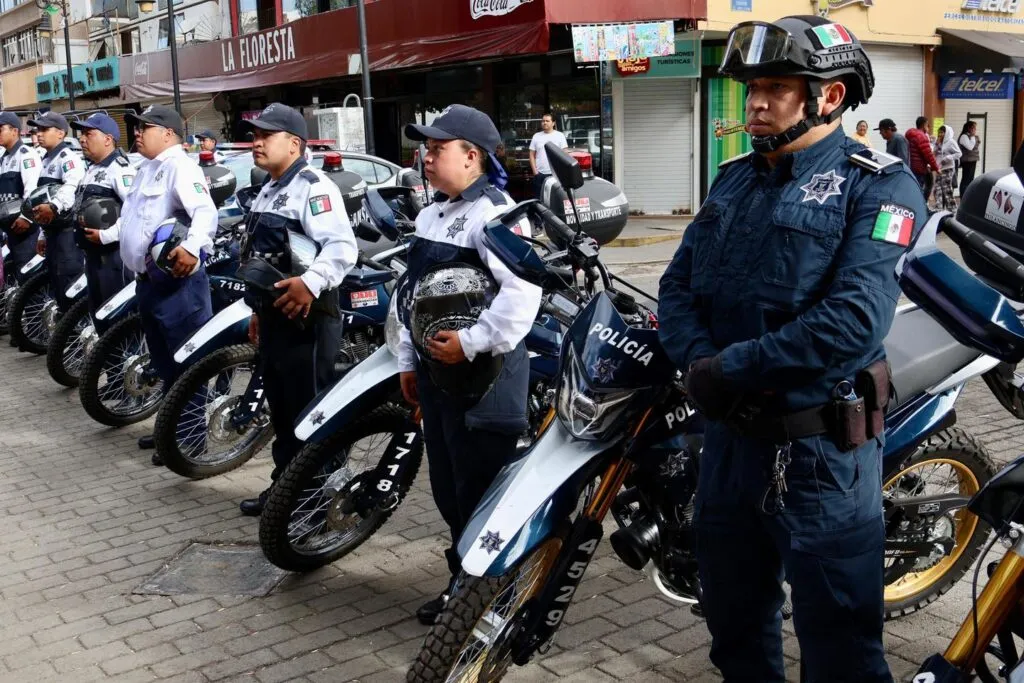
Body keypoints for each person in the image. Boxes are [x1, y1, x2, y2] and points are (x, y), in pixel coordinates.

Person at [659, 15, 926, 681]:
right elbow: (677, 285)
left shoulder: (878, 186)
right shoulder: (732, 179)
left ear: (829, 96)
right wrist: (699, 364)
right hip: (728, 450)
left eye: (776, 86)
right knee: (735, 629)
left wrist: (728, 369)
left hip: (819, 460)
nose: (755, 101)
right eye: (753, 86)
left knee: (840, 647)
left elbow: (854, 320)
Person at [399, 104, 541, 625]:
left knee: (481, 495)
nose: (427, 157)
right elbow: (410, 294)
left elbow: (522, 294)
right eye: (426, 149)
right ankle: (465, 585)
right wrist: (406, 360)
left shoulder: (497, 215)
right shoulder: (431, 214)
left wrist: (473, 341)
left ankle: (493, 598)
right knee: (448, 491)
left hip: (485, 383)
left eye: (438, 149)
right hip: (439, 381)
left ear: (473, 156)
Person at [236, 103, 358, 516]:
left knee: (311, 412)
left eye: (264, 136)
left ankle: (321, 499)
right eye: (254, 135)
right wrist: (257, 310)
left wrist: (309, 282)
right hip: (276, 319)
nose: (256, 142)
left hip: (308, 321)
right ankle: (288, 490)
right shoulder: (270, 188)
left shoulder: (313, 186)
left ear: (293, 142)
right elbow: (265, 257)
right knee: (284, 410)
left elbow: (342, 248)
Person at [120, 105, 218, 462]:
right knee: (163, 362)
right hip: (147, 282)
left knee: (187, 365)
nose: (137, 134)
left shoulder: (181, 166)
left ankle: (189, 440)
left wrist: (192, 248)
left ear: (168, 133)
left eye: (145, 127)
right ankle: (170, 429)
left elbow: (205, 213)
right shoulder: (146, 169)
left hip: (178, 287)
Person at [72, 113, 135, 330]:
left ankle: (125, 362)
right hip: (93, 257)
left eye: (89, 133)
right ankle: (107, 364)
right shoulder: (92, 169)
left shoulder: (120, 169)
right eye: (81, 134)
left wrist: (107, 236)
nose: (82, 139)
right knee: (100, 317)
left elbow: (134, 211)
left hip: (113, 258)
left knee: (117, 321)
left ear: (108, 139)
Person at [28, 111, 86, 313]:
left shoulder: (67, 158)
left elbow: (71, 186)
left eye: (45, 129)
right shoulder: (45, 160)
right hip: (52, 233)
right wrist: (42, 234)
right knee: (56, 283)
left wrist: (54, 207)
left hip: (67, 235)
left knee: (69, 285)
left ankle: (75, 338)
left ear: (61, 133)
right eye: (38, 129)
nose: (39, 134)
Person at [0, 112, 42, 276]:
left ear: (14, 131)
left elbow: (32, 189)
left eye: (1, 128)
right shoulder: (4, 159)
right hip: (10, 229)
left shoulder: (26, 155)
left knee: (28, 275)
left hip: (26, 229)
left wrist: (26, 218)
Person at [528, 112, 567, 199]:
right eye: (543, 121)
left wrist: (561, 172)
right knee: (539, 199)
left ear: (553, 123)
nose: (544, 123)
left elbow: (565, 155)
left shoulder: (560, 136)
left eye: (547, 121)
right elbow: (531, 155)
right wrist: (535, 172)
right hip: (540, 174)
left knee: (555, 199)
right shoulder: (536, 136)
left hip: (556, 175)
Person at [906, 115, 939, 200]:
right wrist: (936, 168)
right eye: (928, 125)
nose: (928, 128)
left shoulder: (910, 134)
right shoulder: (921, 136)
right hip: (919, 168)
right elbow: (928, 155)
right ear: (924, 125)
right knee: (921, 188)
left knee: (914, 188)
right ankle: (921, 206)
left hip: (911, 166)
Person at [933, 124, 961, 211]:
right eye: (939, 132)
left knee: (946, 189)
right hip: (939, 169)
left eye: (942, 132)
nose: (940, 134)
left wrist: (948, 158)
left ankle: (952, 209)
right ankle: (939, 207)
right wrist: (936, 144)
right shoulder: (939, 142)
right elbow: (935, 153)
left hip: (948, 168)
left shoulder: (951, 142)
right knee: (937, 188)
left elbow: (959, 153)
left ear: (947, 133)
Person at [958, 120, 980, 196]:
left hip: (972, 160)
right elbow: (970, 147)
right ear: (969, 128)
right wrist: (973, 136)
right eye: (974, 128)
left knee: (970, 179)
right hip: (967, 161)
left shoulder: (971, 136)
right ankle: (963, 196)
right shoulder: (964, 136)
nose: (975, 130)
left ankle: (968, 196)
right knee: (966, 179)